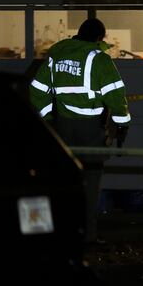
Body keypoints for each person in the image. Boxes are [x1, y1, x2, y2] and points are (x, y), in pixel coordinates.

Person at [29, 18, 130, 244]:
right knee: (91, 182)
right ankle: (88, 236)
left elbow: (37, 90)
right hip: (91, 129)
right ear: (98, 38)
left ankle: (62, 233)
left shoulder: (57, 55)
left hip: (63, 127)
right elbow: (115, 94)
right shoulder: (99, 59)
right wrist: (122, 123)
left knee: (65, 181)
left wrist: (48, 119)